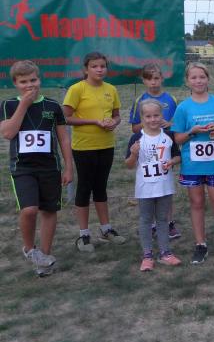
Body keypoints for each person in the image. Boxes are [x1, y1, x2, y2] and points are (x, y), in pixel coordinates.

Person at [1, 61, 72, 276]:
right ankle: (29, 248)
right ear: (15, 83)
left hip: (50, 167)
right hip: (23, 168)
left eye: (33, 80)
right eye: (23, 82)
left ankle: (44, 259)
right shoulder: (8, 105)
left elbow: (63, 139)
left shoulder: (52, 106)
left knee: (49, 210)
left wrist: (68, 168)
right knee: (29, 210)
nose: (29, 85)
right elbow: (8, 133)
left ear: (39, 79)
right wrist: (24, 104)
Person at [172, 62, 214, 264]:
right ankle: (200, 244)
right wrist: (192, 132)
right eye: (194, 77)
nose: (198, 81)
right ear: (187, 81)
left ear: (208, 79)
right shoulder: (183, 108)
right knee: (197, 203)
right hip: (192, 166)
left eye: (202, 77)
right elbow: (178, 138)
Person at [63, 52, 126, 251]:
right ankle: (83, 235)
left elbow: (117, 116)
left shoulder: (111, 89)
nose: (99, 70)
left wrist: (113, 122)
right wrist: (94, 121)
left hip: (106, 145)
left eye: (102, 66)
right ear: (86, 69)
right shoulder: (76, 89)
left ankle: (106, 229)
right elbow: (66, 118)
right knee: (84, 188)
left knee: (101, 187)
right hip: (84, 146)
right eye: (94, 66)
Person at [124, 100, 182, 271]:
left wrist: (172, 161)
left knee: (163, 219)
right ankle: (147, 255)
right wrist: (133, 154)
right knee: (146, 220)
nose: (153, 119)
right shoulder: (137, 138)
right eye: (148, 116)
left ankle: (165, 253)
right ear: (142, 118)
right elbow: (128, 164)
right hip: (145, 187)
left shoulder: (168, 136)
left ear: (161, 116)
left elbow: (178, 156)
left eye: (156, 115)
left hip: (164, 186)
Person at [129, 63, 181, 239]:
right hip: (147, 149)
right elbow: (134, 127)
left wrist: (169, 124)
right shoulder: (140, 100)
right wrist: (151, 124)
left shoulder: (171, 99)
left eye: (156, 78)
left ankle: (169, 222)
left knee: (166, 186)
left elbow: (178, 123)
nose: (153, 82)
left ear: (162, 79)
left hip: (166, 146)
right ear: (143, 80)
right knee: (149, 187)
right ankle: (151, 224)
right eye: (149, 79)